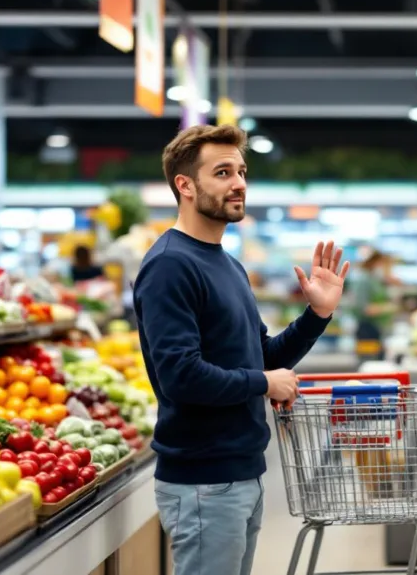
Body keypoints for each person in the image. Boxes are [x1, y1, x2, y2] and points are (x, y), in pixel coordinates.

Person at [133, 124, 349, 575]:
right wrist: (264, 383)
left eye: (242, 171)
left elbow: (262, 357)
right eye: (224, 172)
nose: (240, 184)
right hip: (203, 481)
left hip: (239, 473)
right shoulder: (171, 265)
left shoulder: (227, 264)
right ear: (186, 185)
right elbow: (181, 376)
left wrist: (317, 315)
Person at [351, 250, 398, 360]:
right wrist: (388, 308)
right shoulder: (363, 280)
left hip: (377, 329)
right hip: (366, 330)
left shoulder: (374, 280)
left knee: (378, 360)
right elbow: (364, 308)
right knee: (369, 362)